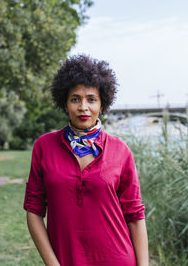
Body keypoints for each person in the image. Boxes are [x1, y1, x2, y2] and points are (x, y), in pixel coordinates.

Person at [23, 54, 149, 266]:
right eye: (75, 99)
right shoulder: (44, 147)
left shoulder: (121, 151)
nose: (83, 107)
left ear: (102, 104)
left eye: (91, 99)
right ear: (65, 103)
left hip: (119, 259)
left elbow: (135, 217)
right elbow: (34, 212)